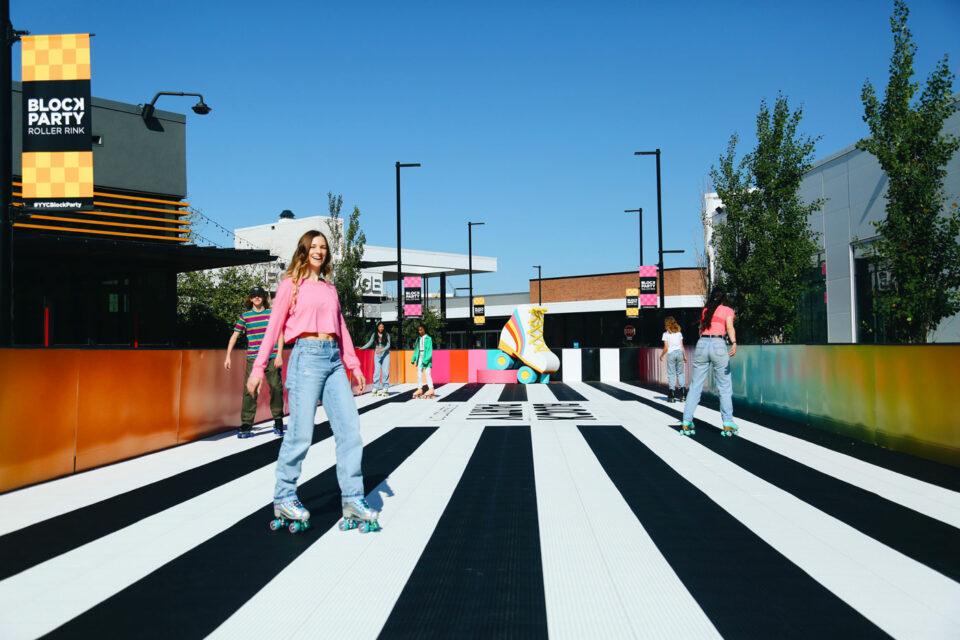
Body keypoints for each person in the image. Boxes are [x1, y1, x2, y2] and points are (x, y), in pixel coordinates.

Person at [246, 230, 379, 532]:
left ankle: (353, 499)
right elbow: (272, 329)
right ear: (304, 252)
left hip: (334, 360)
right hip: (306, 358)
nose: (319, 251)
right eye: (314, 246)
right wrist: (258, 369)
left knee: (350, 430)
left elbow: (341, 328)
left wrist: (354, 364)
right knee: (301, 433)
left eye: (323, 247)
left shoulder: (330, 289)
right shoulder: (290, 285)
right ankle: (284, 496)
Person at [224, 286, 285, 438]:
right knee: (249, 390)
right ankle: (246, 424)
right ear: (250, 299)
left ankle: (278, 419)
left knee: (276, 387)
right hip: (253, 357)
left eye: (259, 295)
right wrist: (228, 356)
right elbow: (234, 336)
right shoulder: (245, 317)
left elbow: (280, 334)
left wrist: (279, 355)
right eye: (254, 296)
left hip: (271, 356)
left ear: (263, 298)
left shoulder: (271, 314)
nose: (256, 298)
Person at [681, 289, 738, 437]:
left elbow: (701, 330)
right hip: (718, 343)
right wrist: (734, 342)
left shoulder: (705, 310)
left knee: (695, 385)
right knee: (724, 386)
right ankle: (727, 422)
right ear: (723, 298)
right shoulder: (727, 310)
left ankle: (686, 420)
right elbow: (729, 327)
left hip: (702, 344)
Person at [659, 315, 687, 403]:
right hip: (679, 353)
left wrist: (661, 355)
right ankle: (683, 394)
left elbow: (666, 347)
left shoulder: (665, 334)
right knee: (680, 373)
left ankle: (671, 395)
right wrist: (685, 356)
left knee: (671, 374)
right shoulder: (679, 333)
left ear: (666, 324)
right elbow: (682, 346)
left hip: (671, 354)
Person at [360, 322, 391, 397]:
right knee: (376, 372)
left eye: (382, 327)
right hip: (377, 354)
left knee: (385, 371)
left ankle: (385, 388)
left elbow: (388, 345)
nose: (381, 328)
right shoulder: (374, 334)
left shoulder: (387, 335)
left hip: (385, 354)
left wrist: (382, 350)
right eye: (380, 327)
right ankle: (375, 388)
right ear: (377, 327)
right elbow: (369, 343)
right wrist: (362, 348)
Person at [410, 323, 434, 399]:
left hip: (426, 357)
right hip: (419, 356)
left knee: (427, 373)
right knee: (419, 373)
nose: (419, 331)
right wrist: (413, 358)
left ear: (424, 330)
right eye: (419, 330)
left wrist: (426, 360)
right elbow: (416, 349)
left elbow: (430, 351)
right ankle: (420, 388)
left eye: (421, 330)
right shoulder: (418, 339)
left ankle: (431, 388)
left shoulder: (428, 338)